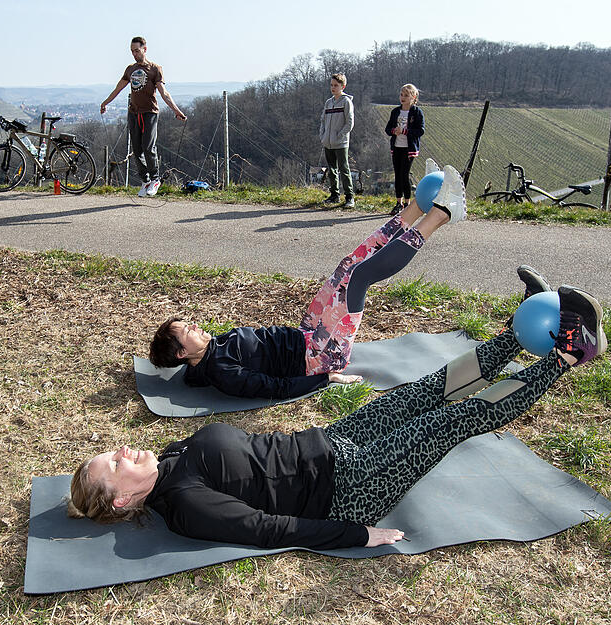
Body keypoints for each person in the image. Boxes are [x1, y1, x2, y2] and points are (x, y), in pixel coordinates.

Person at [68, 269, 608, 549]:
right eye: (113, 467)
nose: (119, 451)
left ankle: (519, 335)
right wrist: (355, 534)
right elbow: (266, 528)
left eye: (108, 453)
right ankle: (567, 356)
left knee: (426, 390)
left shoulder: (171, 455)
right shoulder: (182, 505)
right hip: (346, 486)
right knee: (450, 420)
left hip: (332, 441)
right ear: (120, 504)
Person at [148, 160, 467, 400]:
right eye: (187, 330)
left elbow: (192, 374)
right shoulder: (222, 372)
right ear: (180, 353)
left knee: (348, 265)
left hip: (306, 332)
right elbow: (274, 387)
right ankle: (440, 214)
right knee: (359, 278)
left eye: (187, 323)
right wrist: (326, 379)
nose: (194, 325)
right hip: (319, 354)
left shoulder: (206, 354)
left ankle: (414, 208)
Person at [100, 36, 187, 198]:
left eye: (137, 50)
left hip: (150, 113)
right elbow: (118, 88)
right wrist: (105, 102)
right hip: (133, 112)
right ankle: (145, 180)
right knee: (137, 149)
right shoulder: (130, 69)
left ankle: (155, 179)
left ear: (145, 49)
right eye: (132, 51)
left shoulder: (155, 69)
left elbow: (164, 93)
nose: (134, 54)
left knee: (148, 146)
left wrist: (176, 110)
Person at [385, 84, 425, 216]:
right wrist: (394, 131)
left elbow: (420, 130)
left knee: (404, 175)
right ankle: (398, 203)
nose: (403, 98)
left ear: (413, 97)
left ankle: (407, 203)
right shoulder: (395, 112)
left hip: (409, 149)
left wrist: (405, 131)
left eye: (406, 95)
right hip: (396, 147)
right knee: (397, 175)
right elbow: (388, 129)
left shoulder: (417, 112)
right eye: (401, 95)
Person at [319, 73, 355, 209]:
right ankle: (334, 195)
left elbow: (350, 122)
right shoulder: (329, 103)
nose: (333, 88)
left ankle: (349, 197)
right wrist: (322, 136)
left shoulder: (346, 102)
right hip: (328, 142)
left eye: (336, 85)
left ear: (342, 86)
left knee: (344, 169)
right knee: (332, 169)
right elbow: (322, 120)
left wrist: (340, 135)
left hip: (340, 143)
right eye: (331, 85)